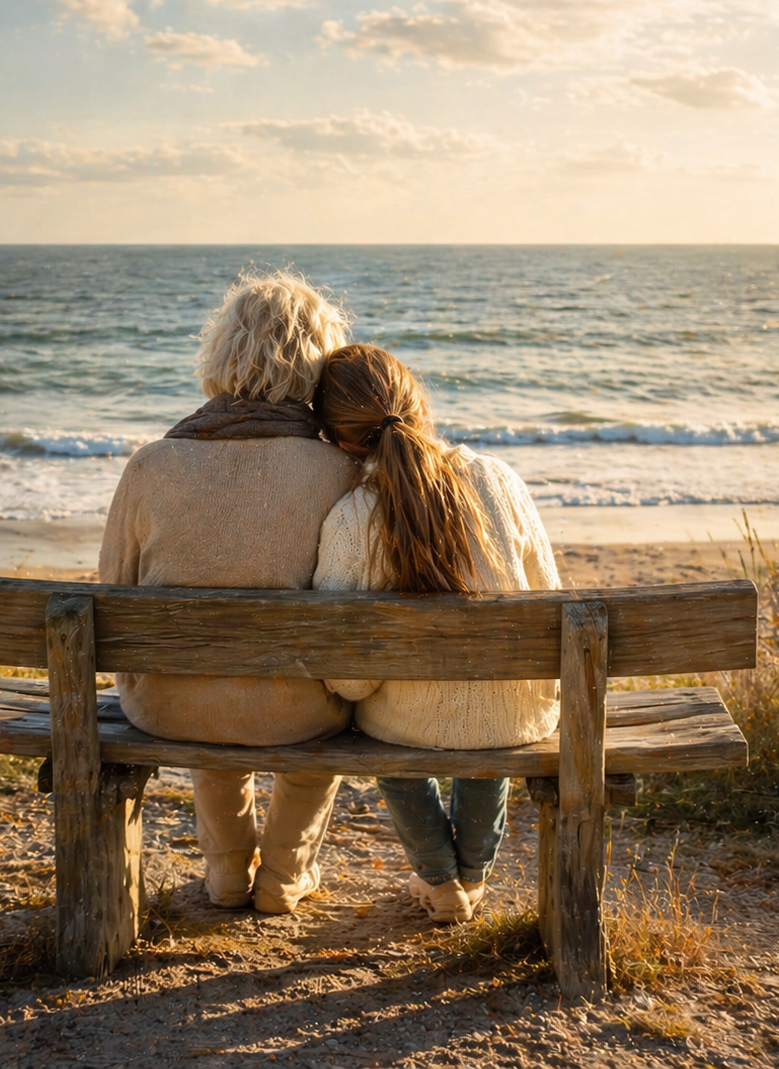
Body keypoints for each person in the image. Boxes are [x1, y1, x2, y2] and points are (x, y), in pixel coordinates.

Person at [99, 272, 359, 914]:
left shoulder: (151, 464)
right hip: (299, 712)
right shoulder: (342, 471)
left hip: (168, 706)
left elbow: (111, 590)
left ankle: (225, 870)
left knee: (205, 687)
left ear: (219, 352)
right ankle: (285, 872)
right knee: (321, 708)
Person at [312, 343, 561, 924]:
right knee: (488, 724)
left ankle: (439, 878)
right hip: (514, 714)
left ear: (340, 441)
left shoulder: (352, 516)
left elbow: (343, 670)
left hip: (407, 722)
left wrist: (362, 689)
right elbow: (548, 598)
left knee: (379, 723)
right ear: (419, 404)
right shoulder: (498, 479)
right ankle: (472, 876)